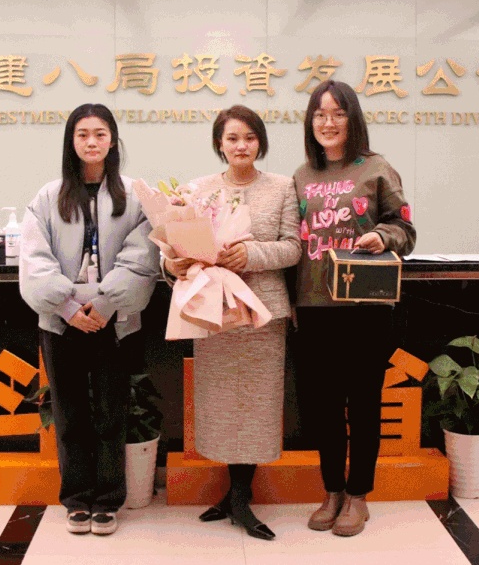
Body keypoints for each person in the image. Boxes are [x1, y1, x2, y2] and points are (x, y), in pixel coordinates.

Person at [19, 103, 159, 536]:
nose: (92, 142)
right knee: (70, 414)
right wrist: (67, 309)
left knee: (111, 414)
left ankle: (109, 500)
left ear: (112, 140)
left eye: (100, 134)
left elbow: (143, 257)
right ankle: (77, 499)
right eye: (82, 134)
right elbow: (34, 260)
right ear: (71, 142)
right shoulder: (48, 197)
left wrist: (105, 306)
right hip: (61, 324)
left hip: (114, 322)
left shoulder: (136, 196)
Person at [163, 105, 300, 541]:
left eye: (250, 138)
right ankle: (233, 493)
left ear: (261, 142)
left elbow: (294, 247)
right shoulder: (198, 189)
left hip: (262, 314)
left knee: (257, 407)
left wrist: (251, 254)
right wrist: (172, 263)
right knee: (221, 405)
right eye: (233, 138)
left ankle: (240, 497)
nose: (242, 146)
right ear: (219, 144)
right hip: (214, 313)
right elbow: (173, 246)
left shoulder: (282, 187)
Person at [292, 80, 417, 537]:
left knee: (363, 403)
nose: (328, 122)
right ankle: (332, 491)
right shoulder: (301, 176)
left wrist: (382, 237)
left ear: (353, 119)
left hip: (365, 304)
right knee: (323, 407)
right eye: (319, 114)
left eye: (338, 113)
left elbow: (405, 229)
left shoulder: (376, 168)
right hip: (314, 305)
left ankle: (359, 495)